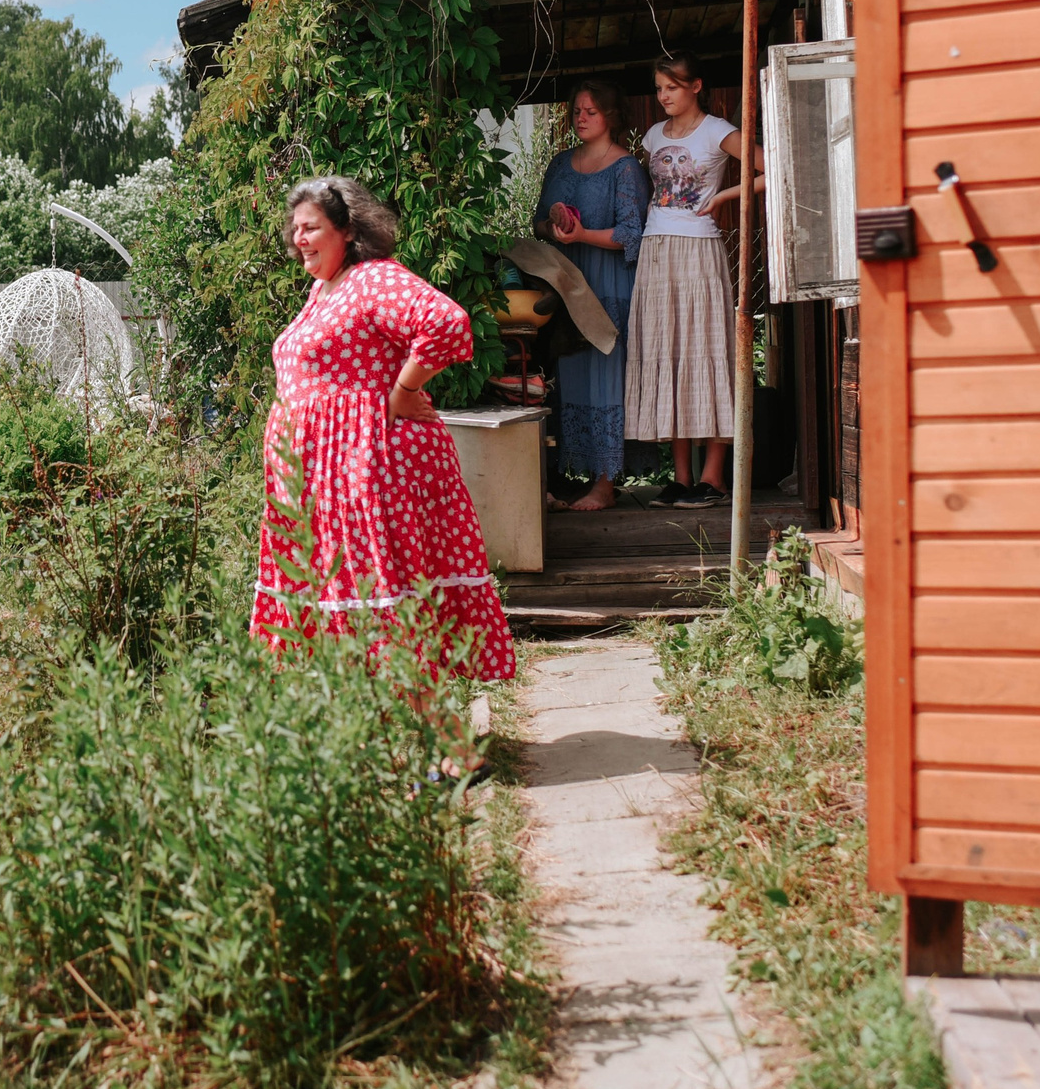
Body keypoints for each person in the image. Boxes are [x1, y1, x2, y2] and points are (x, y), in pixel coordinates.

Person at [250, 177, 513, 683]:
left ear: (346, 231)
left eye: (311, 228)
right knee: (349, 596)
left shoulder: (372, 278)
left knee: (379, 597)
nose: (298, 238)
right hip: (323, 480)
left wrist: (402, 392)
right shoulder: (322, 289)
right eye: (295, 229)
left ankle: (450, 746)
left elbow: (446, 321)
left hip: (366, 467)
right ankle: (389, 740)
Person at [624, 56, 753, 508]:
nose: (664, 96)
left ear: (696, 86)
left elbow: (767, 169)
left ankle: (713, 478)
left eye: (672, 87)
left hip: (699, 249)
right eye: (659, 88)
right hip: (656, 251)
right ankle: (680, 479)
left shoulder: (718, 130)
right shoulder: (653, 136)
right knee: (669, 354)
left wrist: (723, 195)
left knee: (706, 351)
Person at [533, 79, 650, 511]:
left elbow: (631, 234)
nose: (581, 118)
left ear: (611, 118)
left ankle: (605, 483)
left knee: (607, 378)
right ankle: (568, 478)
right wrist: (555, 228)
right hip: (569, 284)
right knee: (570, 378)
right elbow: (537, 224)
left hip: (610, 286)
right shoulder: (561, 164)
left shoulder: (626, 168)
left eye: (591, 112)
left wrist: (583, 234)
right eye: (577, 111)